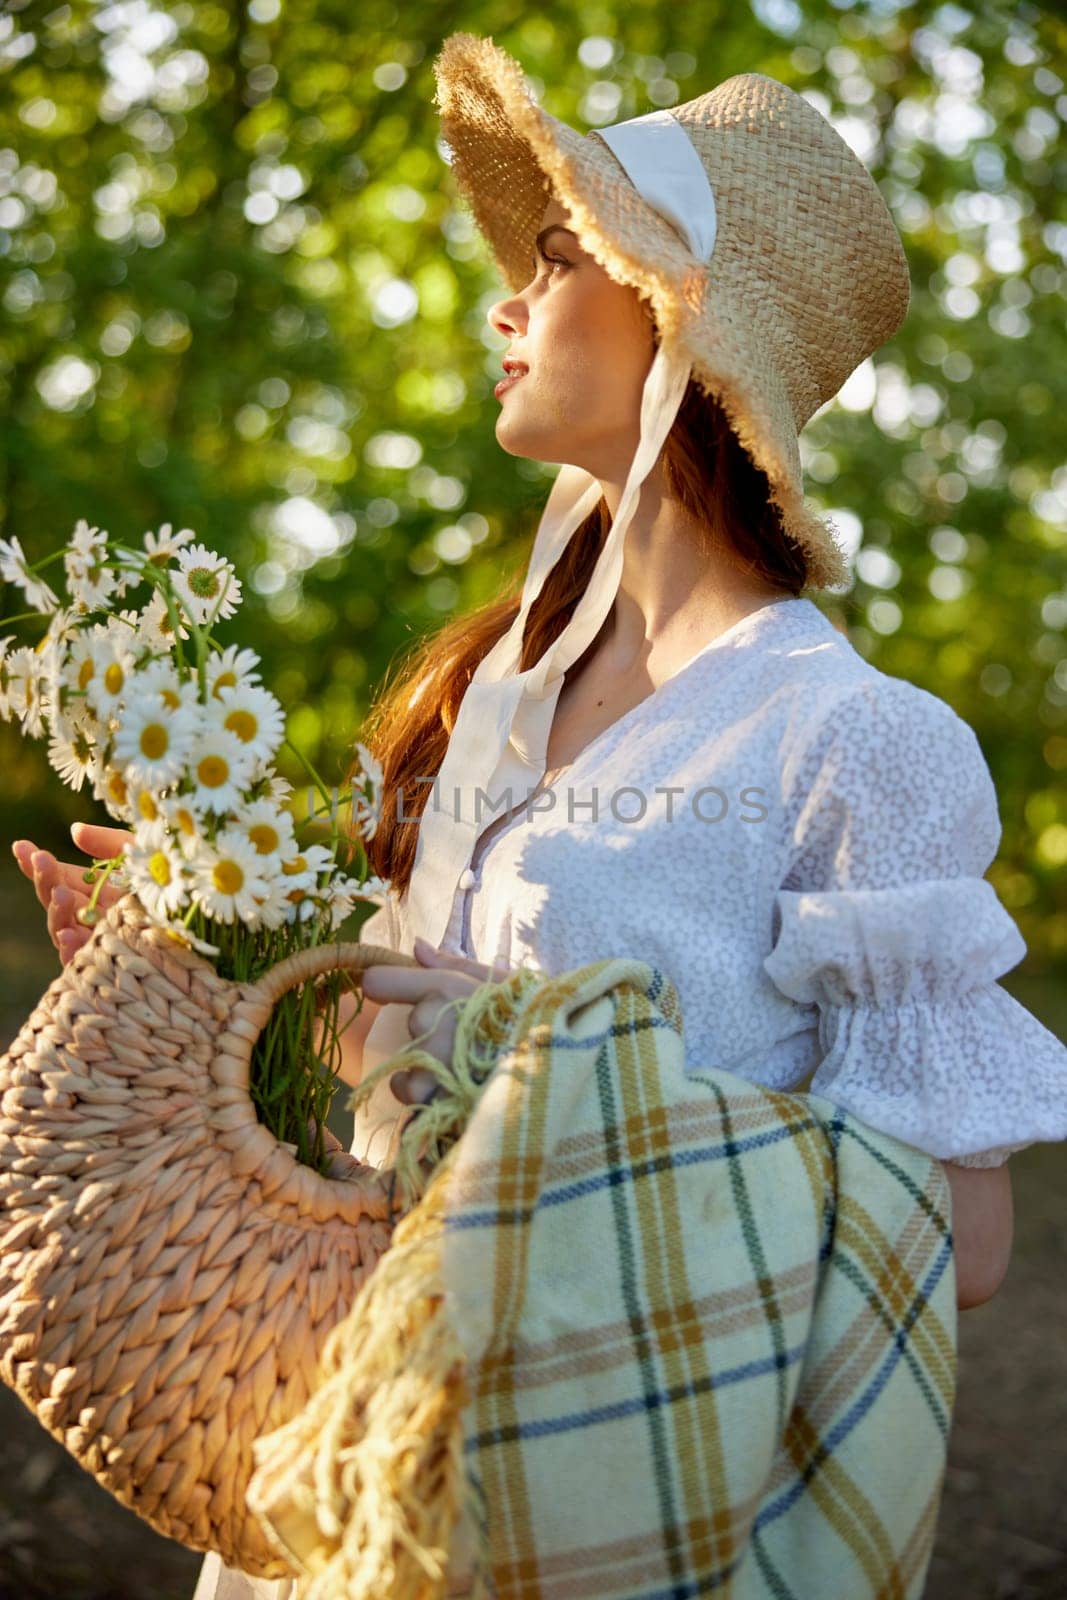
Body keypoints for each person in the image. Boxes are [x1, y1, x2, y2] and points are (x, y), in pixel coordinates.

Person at [14, 30, 1067, 1599]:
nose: (506, 301)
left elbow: (963, 1250)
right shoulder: (494, 682)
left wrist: (545, 1071)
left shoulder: (858, 739)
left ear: (685, 321)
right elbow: (408, 1076)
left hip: (617, 1488)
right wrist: (222, 961)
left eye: (562, 257)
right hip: (374, 1431)